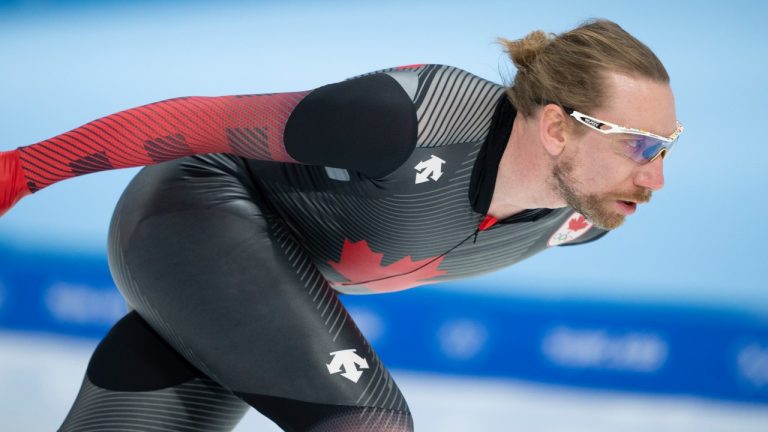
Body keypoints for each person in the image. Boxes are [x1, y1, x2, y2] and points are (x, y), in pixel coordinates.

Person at [0, 18, 681, 432]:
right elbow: (197, 121)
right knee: (368, 422)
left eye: (668, 145)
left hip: (264, 279)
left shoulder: (584, 215)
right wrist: (19, 172)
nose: (654, 179)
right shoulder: (417, 120)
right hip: (197, 208)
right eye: (638, 144)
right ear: (557, 126)